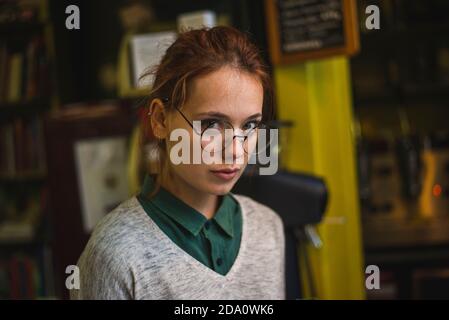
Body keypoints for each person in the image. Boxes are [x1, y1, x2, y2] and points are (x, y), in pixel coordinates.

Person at [71, 26, 285, 300]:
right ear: (160, 120)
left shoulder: (268, 228)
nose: (235, 150)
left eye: (250, 125)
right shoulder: (114, 254)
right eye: (211, 124)